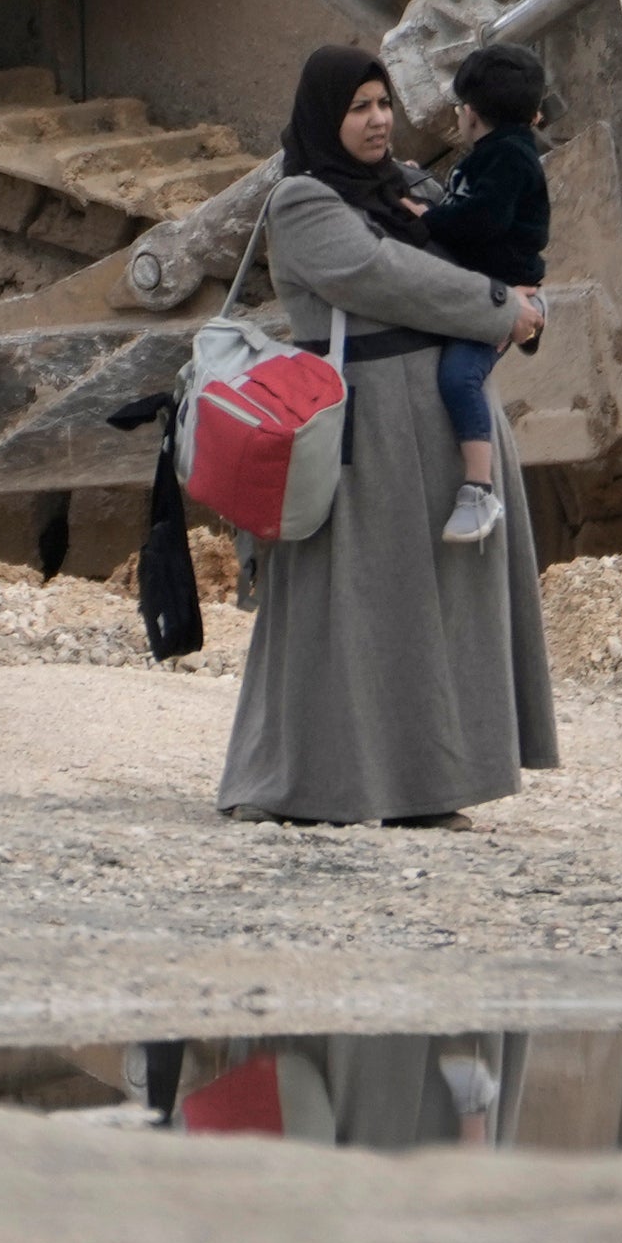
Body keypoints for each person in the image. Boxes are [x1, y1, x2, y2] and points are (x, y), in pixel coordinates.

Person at [216, 45, 559, 827]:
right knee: (352, 609)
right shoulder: (302, 203)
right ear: (323, 118)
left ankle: (428, 789)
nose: (376, 121)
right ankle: (304, 785)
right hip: (362, 434)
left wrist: (512, 286)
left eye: (383, 104)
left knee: (439, 612)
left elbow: (484, 244)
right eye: (357, 107)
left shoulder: (403, 187)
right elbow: (383, 278)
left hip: (439, 427)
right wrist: (502, 305)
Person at [415, 42, 554, 548]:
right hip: (482, 289)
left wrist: (427, 218)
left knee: (459, 377)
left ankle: (478, 488)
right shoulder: (497, 155)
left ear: (470, 114)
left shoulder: (509, 159)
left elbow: (481, 220)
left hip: (500, 296)